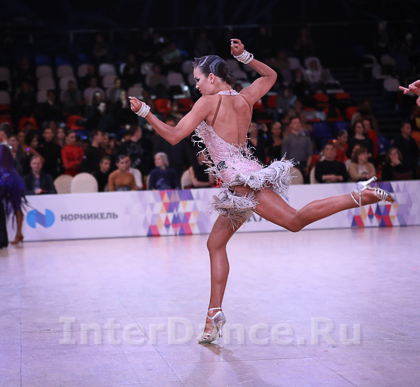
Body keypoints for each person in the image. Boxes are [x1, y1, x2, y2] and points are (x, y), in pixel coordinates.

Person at [129, 38, 395, 345]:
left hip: (241, 182)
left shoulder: (208, 103)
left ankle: (361, 195)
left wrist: (145, 111)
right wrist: (245, 56)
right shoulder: (245, 98)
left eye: (198, 80)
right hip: (242, 179)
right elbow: (271, 76)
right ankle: (213, 316)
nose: (196, 86)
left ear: (212, 78)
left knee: (294, 221)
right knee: (215, 244)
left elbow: (175, 135)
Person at [0, 145, 26, 246]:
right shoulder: (8, 155)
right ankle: (19, 233)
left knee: (16, 207)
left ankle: (18, 233)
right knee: (17, 207)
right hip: (14, 180)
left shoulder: (4, 150)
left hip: (8, 180)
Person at [281, 116, 312, 183]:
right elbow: (284, 156)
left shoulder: (306, 138)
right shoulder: (287, 139)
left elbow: (310, 154)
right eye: (295, 123)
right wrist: (290, 168)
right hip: (293, 166)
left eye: (298, 122)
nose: (297, 124)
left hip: (304, 165)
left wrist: (307, 166)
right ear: (291, 125)